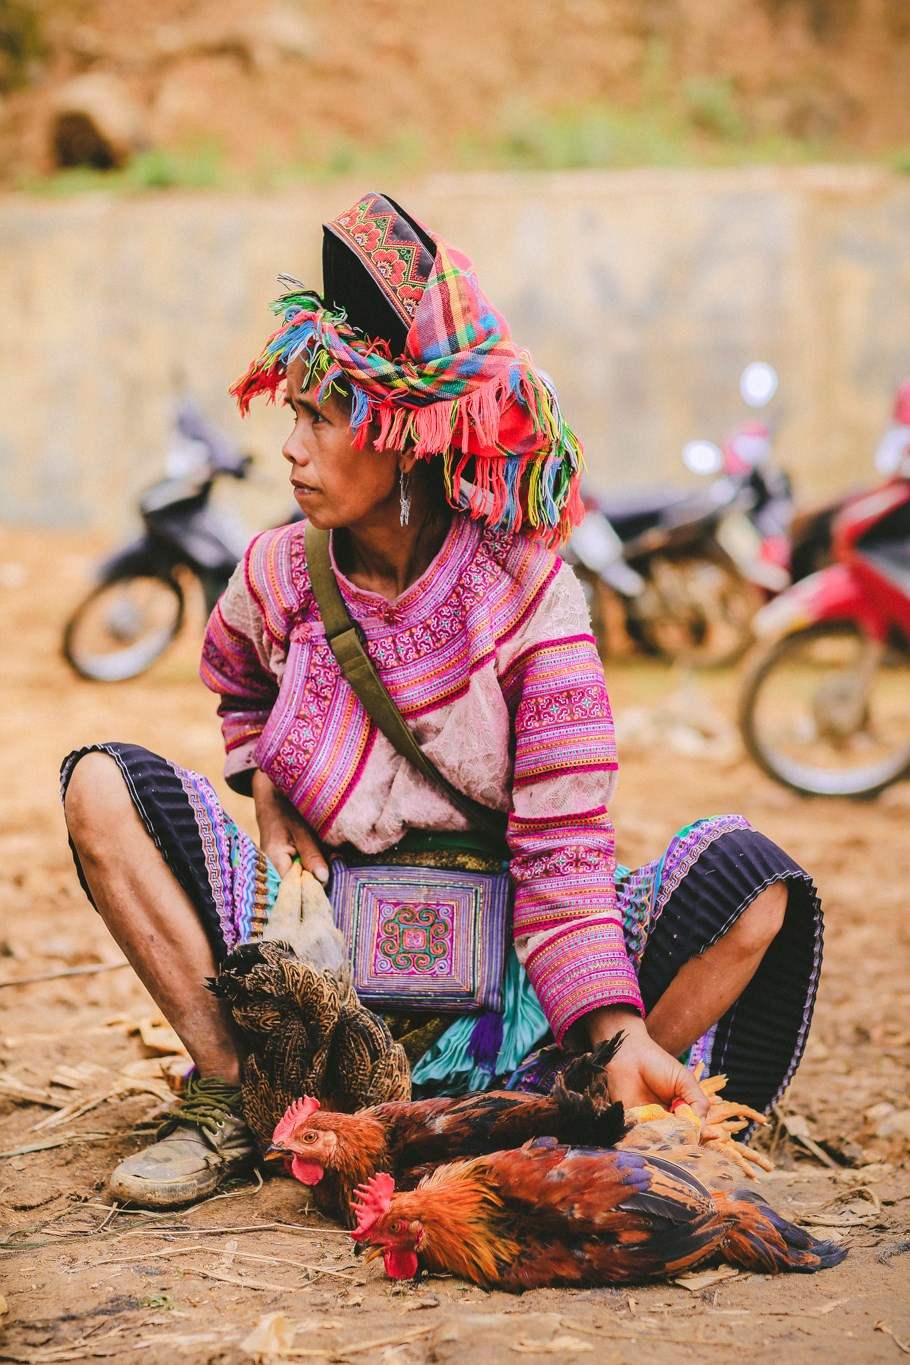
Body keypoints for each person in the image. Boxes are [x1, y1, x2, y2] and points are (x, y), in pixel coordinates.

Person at [62, 192, 822, 1210]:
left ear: (404, 438)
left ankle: (563, 1099)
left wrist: (618, 1030)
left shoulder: (530, 596)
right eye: (294, 414)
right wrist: (271, 799)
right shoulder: (278, 574)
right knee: (102, 787)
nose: (291, 447)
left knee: (752, 881)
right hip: (315, 954)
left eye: (321, 420)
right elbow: (237, 686)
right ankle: (235, 1101)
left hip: (512, 966)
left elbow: (563, 853)